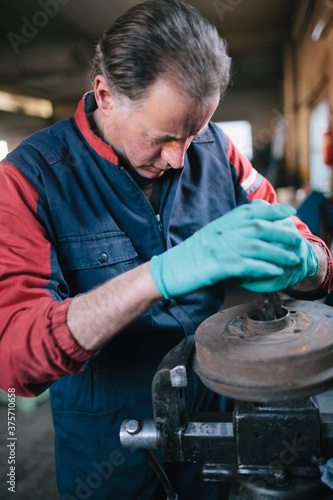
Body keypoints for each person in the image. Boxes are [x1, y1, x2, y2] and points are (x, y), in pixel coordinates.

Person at [0, 1, 332, 498]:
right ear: (105, 95)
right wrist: (158, 276)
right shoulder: (29, 179)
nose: (179, 158)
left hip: (220, 419)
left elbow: (304, 244)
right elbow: (13, 357)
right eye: (161, 138)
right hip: (110, 448)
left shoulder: (218, 149)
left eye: (192, 133)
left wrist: (309, 264)